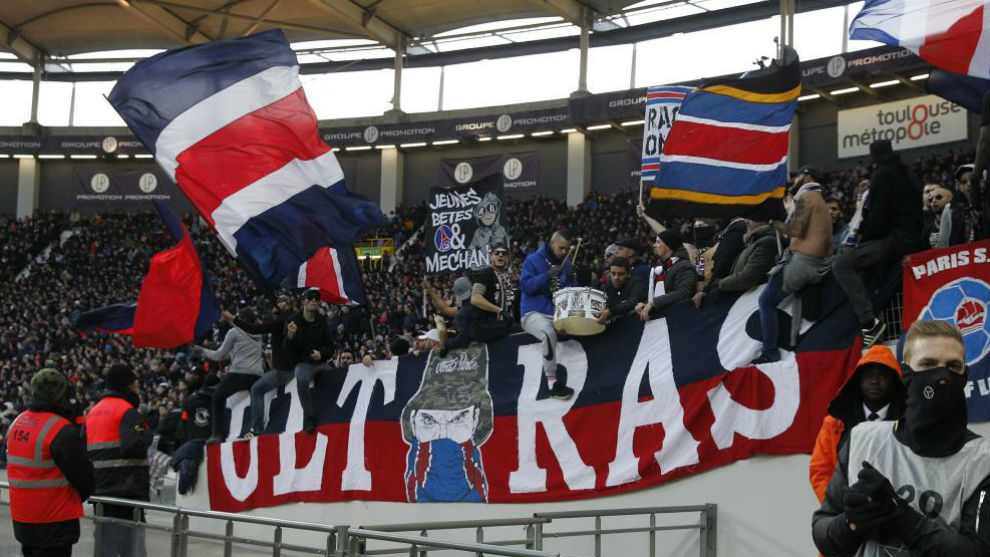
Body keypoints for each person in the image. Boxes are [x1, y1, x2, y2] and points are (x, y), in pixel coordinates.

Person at [813, 320, 990, 556]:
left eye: (953, 366)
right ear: (906, 372)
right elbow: (823, 527)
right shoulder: (862, 440)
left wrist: (899, 515)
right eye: (928, 364)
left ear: (964, 375)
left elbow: (977, 551)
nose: (941, 377)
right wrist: (850, 525)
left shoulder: (983, 461)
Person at [834, 140, 924, 348]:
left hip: (895, 241)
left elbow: (879, 216)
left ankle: (869, 323)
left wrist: (863, 242)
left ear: (874, 156)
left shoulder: (883, 175)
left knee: (842, 264)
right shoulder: (908, 173)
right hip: (910, 240)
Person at [751, 165, 834, 364]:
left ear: (808, 177)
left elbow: (794, 231)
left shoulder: (808, 197)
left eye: (799, 175)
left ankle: (770, 352)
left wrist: (774, 222)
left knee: (766, 301)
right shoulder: (819, 199)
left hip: (802, 263)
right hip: (814, 264)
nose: (795, 178)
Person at [8, 368, 93, 557]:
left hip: (24, 520)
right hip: (54, 522)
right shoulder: (60, 430)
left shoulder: (17, 423)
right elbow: (85, 477)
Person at [808, 345, 905, 504]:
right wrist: (840, 508)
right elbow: (821, 471)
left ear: (894, 382)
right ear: (858, 380)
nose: (874, 381)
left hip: (899, 511)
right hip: (849, 512)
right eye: (869, 375)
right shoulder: (835, 423)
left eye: (883, 376)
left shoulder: (908, 421)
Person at [84, 363, 153, 557]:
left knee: (105, 548)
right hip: (127, 492)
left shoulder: (94, 412)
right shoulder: (127, 411)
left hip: (101, 492)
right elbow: (133, 445)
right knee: (132, 549)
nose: (137, 386)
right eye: (135, 383)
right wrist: (147, 435)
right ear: (127, 385)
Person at [519, 231, 577, 400]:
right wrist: (546, 276)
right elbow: (526, 286)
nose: (564, 252)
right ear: (552, 243)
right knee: (548, 332)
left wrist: (572, 278)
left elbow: (571, 293)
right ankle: (552, 382)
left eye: (567, 249)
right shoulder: (532, 260)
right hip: (532, 313)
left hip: (558, 314)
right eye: (561, 248)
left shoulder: (565, 264)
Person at [195, 309, 264, 444]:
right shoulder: (258, 333)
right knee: (257, 398)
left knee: (218, 398)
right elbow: (236, 351)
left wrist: (202, 350)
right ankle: (258, 428)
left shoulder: (234, 332)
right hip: (257, 375)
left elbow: (219, 356)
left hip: (239, 373)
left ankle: (217, 434)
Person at [230, 295, 295, 437]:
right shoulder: (291, 319)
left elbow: (254, 329)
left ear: (288, 305)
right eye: (277, 302)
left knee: (256, 390)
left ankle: (256, 429)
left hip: (284, 370)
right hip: (289, 367)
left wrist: (233, 319)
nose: (277, 304)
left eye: (281, 302)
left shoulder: (282, 321)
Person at [693, 220, 780, 307]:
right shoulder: (750, 241)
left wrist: (717, 284)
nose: (747, 221)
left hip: (744, 299)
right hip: (725, 291)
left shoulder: (763, 242)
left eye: (701, 225)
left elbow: (747, 276)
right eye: (698, 226)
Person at [286, 288, 336, 434]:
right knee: (301, 379)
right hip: (304, 362)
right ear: (304, 301)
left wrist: (321, 354)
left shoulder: (322, 320)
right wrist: (290, 335)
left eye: (317, 298)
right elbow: (288, 348)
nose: (314, 301)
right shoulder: (292, 320)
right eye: (310, 297)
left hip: (321, 362)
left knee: (335, 378)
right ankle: (308, 416)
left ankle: (334, 411)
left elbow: (331, 346)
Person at [636, 230, 696, 321]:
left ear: (668, 245)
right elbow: (655, 296)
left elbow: (684, 293)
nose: (654, 245)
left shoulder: (684, 266)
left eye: (658, 242)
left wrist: (653, 303)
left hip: (679, 320)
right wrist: (644, 304)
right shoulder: (659, 269)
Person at [471, 243, 516, 343]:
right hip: (486, 324)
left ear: (507, 258)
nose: (500, 255)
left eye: (504, 253)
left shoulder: (508, 276)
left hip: (502, 324)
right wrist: (499, 310)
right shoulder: (486, 273)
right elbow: (475, 298)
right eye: (497, 253)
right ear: (491, 257)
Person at [425, 276, 474, 349]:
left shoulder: (462, 313)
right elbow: (445, 309)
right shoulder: (477, 304)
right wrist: (431, 291)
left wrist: (445, 344)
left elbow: (463, 339)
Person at [598, 256, 647, 324]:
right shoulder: (608, 287)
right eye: (613, 273)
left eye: (621, 274)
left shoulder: (637, 282)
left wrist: (610, 311)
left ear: (628, 274)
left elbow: (632, 302)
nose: (616, 278)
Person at [177, 368, 219, 444]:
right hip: (213, 440)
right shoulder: (219, 399)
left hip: (193, 440)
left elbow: (184, 420)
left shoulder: (190, 399)